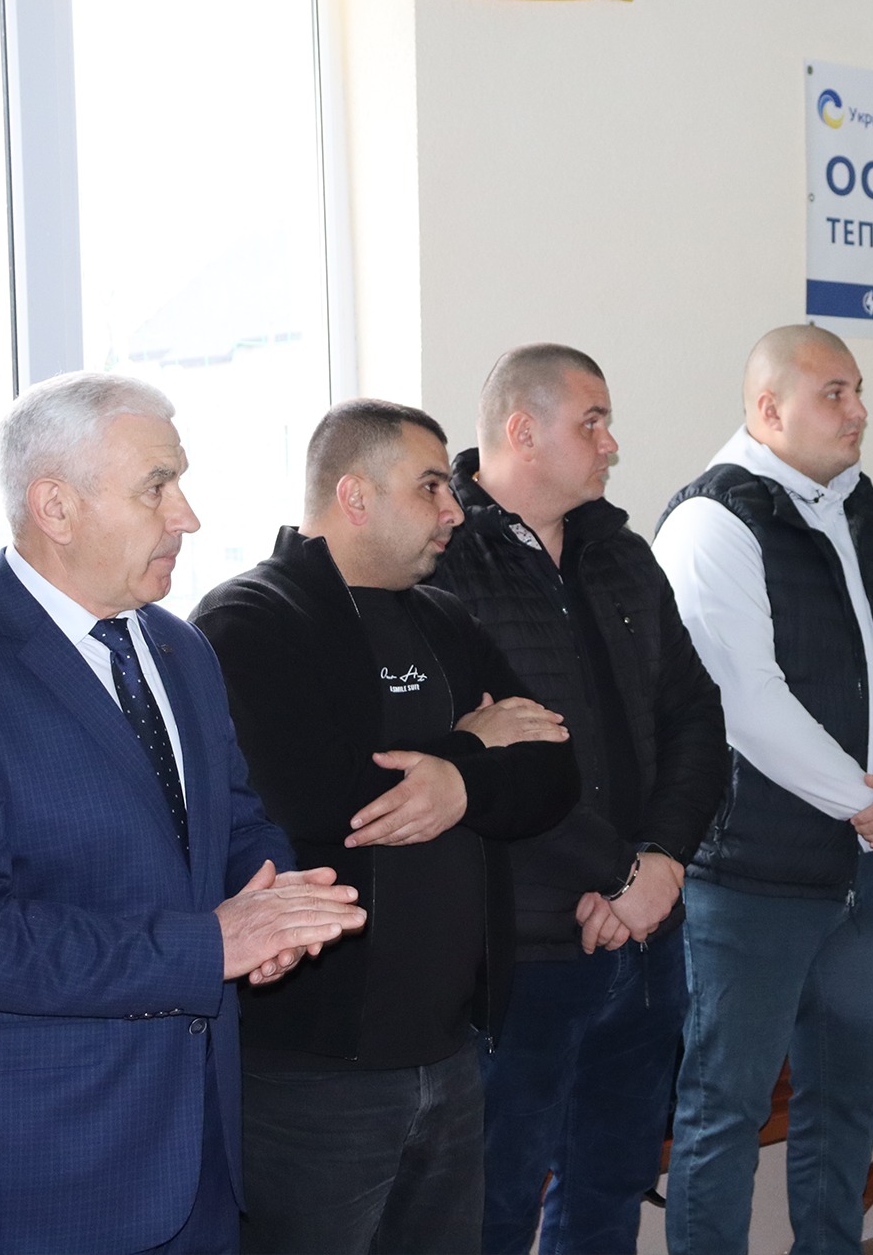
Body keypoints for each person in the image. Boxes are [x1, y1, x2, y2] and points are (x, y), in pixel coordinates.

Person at [0, 372, 363, 1253]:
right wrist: (212, 945)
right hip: (36, 1184)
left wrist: (272, 902)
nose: (187, 515)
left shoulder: (179, 646)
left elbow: (233, 820)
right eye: (157, 486)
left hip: (199, 1161)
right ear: (55, 506)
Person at [191, 399, 581, 1254]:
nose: (455, 510)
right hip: (310, 1074)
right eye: (432, 486)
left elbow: (554, 770)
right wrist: (468, 746)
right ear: (355, 495)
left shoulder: (444, 618)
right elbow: (308, 797)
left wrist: (458, 784)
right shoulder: (247, 618)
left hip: (452, 1054)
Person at [652, 324, 873, 1255]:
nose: (859, 410)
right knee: (726, 1109)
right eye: (835, 392)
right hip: (752, 876)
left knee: (848, 1096)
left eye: (859, 390)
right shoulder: (713, 519)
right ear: (768, 408)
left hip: (868, 869)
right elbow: (745, 701)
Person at [428, 345, 726, 1255]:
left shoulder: (620, 553)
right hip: (521, 954)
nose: (611, 444)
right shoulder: (447, 562)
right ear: (522, 431)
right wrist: (618, 874)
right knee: (496, 1205)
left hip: (647, 937)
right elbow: (480, 769)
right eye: (591, 423)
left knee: (609, 1192)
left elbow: (695, 717)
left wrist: (661, 865)